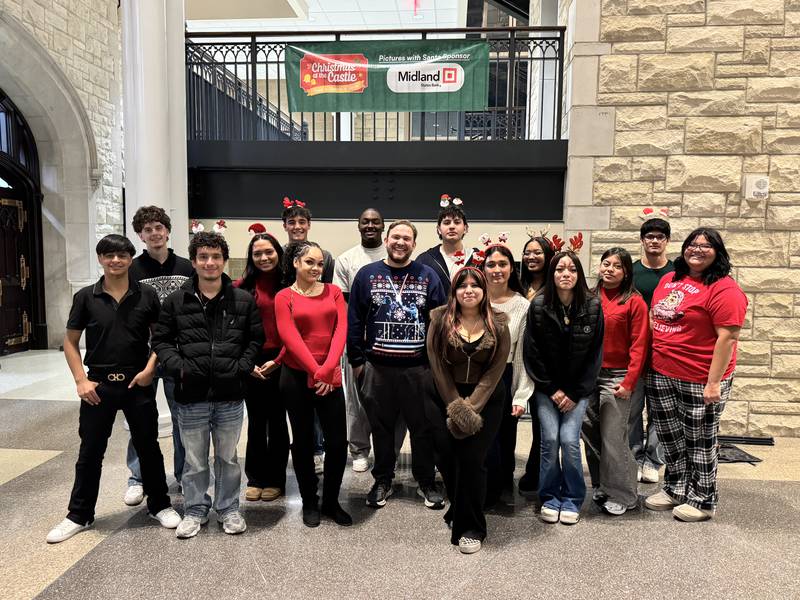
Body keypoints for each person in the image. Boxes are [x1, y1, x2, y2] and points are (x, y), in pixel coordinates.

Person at [47, 234, 180, 544]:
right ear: (100, 259)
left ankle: (159, 504)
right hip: (99, 385)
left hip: (137, 382)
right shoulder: (85, 297)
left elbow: (160, 338)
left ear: (130, 259)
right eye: (109, 255)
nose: (116, 261)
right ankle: (79, 514)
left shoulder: (146, 295)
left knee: (148, 446)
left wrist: (150, 370)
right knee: (90, 451)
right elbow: (69, 341)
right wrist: (81, 380)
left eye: (122, 255)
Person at [152, 232, 264, 538]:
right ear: (194, 262)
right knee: (195, 460)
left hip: (230, 395)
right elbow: (161, 340)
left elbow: (255, 340)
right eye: (203, 257)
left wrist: (241, 368)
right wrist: (181, 368)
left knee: (227, 458)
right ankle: (195, 509)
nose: (210, 262)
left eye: (215, 257)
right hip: (191, 395)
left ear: (224, 261)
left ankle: (228, 508)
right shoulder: (177, 300)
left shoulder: (242, 299)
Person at [644, 228, 746, 522]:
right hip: (662, 372)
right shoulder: (670, 279)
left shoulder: (725, 289)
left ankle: (703, 499)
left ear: (718, 253)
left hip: (701, 377)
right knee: (670, 437)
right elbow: (657, 316)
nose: (697, 250)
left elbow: (727, 338)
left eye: (706, 246)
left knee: (699, 440)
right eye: (692, 244)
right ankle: (675, 488)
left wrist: (714, 383)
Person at [348, 220, 447, 510]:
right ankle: (382, 481)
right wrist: (357, 362)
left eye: (406, 238)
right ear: (387, 240)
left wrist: (435, 366)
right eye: (395, 237)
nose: (400, 242)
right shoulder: (367, 275)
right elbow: (354, 319)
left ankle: (426, 482)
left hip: (418, 369)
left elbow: (440, 322)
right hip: (377, 368)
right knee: (381, 429)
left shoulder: (427, 276)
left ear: (414, 244)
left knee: (422, 428)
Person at [427, 267, 510, 554]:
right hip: (443, 395)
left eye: (476, 285)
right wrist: (457, 408)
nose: (469, 290)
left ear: (484, 290)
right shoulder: (439, 320)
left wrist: (470, 409)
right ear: (454, 291)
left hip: (486, 399)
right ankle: (458, 508)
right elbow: (437, 366)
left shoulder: (498, 322)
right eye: (463, 286)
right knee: (449, 460)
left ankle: (472, 527)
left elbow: (495, 371)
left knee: (473, 462)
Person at [523, 249, 603, 525]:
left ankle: (572, 498)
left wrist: (574, 392)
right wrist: (553, 388)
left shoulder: (593, 305)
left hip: (577, 391)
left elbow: (594, 355)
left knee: (569, 441)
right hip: (547, 390)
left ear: (579, 274)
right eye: (559, 269)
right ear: (551, 273)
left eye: (571, 269)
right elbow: (531, 352)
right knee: (550, 440)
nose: (565, 274)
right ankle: (549, 497)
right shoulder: (539, 305)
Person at [275, 241, 351, 528]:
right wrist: (316, 371)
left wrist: (327, 370)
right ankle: (310, 501)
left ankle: (331, 501)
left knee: (336, 443)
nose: (316, 268)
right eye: (310, 262)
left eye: (320, 263)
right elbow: (289, 336)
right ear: (295, 263)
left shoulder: (332, 292)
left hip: (330, 376)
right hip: (295, 378)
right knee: (304, 442)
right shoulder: (284, 296)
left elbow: (340, 330)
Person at [124, 205, 194, 507]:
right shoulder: (132, 270)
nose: (154, 233)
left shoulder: (186, 267)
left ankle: (184, 474)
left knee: (183, 417)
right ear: (140, 235)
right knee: (141, 416)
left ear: (167, 230)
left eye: (158, 227)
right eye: (147, 229)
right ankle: (138, 478)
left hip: (179, 354)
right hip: (142, 355)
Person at [333, 209, 406, 473]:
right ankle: (360, 449)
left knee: (396, 403)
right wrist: (356, 336)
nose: (371, 225)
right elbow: (342, 304)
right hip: (359, 342)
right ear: (359, 225)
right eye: (366, 221)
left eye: (376, 222)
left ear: (384, 228)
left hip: (394, 344)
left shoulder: (396, 258)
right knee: (358, 399)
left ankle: (390, 452)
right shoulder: (346, 260)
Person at [581, 247, 649, 516]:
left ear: (626, 272)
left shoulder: (634, 302)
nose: (609, 269)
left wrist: (630, 381)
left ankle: (625, 494)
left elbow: (640, 344)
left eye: (616, 266)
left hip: (617, 376)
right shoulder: (589, 297)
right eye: (605, 264)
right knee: (590, 432)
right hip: (589, 376)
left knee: (613, 437)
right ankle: (603, 485)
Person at [234, 232, 290, 503]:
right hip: (252, 360)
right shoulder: (241, 287)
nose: (264, 258)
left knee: (278, 421)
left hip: (283, 359)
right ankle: (255, 478)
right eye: (257, 254)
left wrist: (278, 359)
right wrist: (248, 364)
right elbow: (237, 331)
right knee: (256, 422)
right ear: (251, 257)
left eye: (268, 252)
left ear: (277, 252)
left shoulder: (289, 285)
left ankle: (276, 479)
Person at [281, 197, 333, 474]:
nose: (297, 226)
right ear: (285, 226)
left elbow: (328, 297)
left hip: (317, 342)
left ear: (309, 225)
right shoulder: (278, 257)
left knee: (318, 403)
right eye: (292, 222)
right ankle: (300, 449)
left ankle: (317, 449)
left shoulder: (324, 255)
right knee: (295, 405)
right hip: (287, 340)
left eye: (302, 222)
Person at [480, 241, 534, 506]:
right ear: (483, 268)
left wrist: (521, 396)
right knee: (476, 437)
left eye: (503, 264)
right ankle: (478, 487)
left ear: (512, 269)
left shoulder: (522, 306)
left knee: (502, 438)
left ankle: (500, 489)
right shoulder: (473, 297)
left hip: (505, 377)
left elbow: (523, 353)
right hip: (474, 378)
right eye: (491, 264)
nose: (497, 270)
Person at [629, 217, 674, 484]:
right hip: (635, 352)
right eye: (649, 236)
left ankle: (653, 460)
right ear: (643, 240)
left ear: (667, 241)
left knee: (660, 411)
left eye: (659, 236)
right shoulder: (632, 271)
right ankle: (634, 457)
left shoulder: (676, 273)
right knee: (633, 410)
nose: (654, 241)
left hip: (665, 353)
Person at [517, 235, 555, 497]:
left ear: (548, 256)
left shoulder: (556, 286)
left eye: (538, 253)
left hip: (544, 363)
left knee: (542, 426)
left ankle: (538, 472)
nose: (531, 257)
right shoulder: (517, 285)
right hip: (517, 361)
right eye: (527, 253)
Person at [417, 194, 477, 294]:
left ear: (465, 228)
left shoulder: (477, 258)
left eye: (457, 222)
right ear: (439, 229)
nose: (452, 226)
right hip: (436, 309)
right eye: (447, 222)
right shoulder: (424, 260)